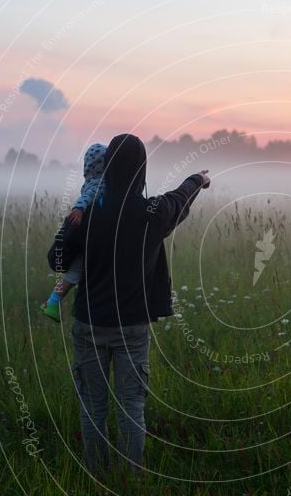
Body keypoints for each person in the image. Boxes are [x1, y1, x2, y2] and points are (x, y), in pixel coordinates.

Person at [48, 133, 210, 476]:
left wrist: (73, 222)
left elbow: (56, 259)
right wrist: (199, 179)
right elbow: (179, 199)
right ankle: (131, 481)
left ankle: (97, 475)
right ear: (142, 169)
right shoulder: (152, 212)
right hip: (132, 328)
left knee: (93, 408)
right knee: (131, 406)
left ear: (106, 168)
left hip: (88, 324)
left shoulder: (90, 211)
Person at [41, 143, 107, 322]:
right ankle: (52, 302)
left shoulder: (90, 181)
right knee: (75, 273)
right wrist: (78, 208)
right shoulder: (100, 183)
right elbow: (88, 197)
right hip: (87, 240)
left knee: (80, 273)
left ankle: (63, 303)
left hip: (85, 239)